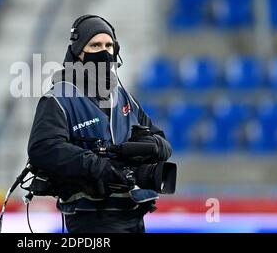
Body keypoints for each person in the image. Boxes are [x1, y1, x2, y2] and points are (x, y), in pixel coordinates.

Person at [27, 15, 173, 233]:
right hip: (90, 217)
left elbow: (162, 141)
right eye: (95, 45)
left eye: (109, 45)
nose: (104, 52)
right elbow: (43, 148)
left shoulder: (123, 96)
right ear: (78, 51)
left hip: (133, 212)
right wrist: (101, 167)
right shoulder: (58, 98)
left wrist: (153, 146)